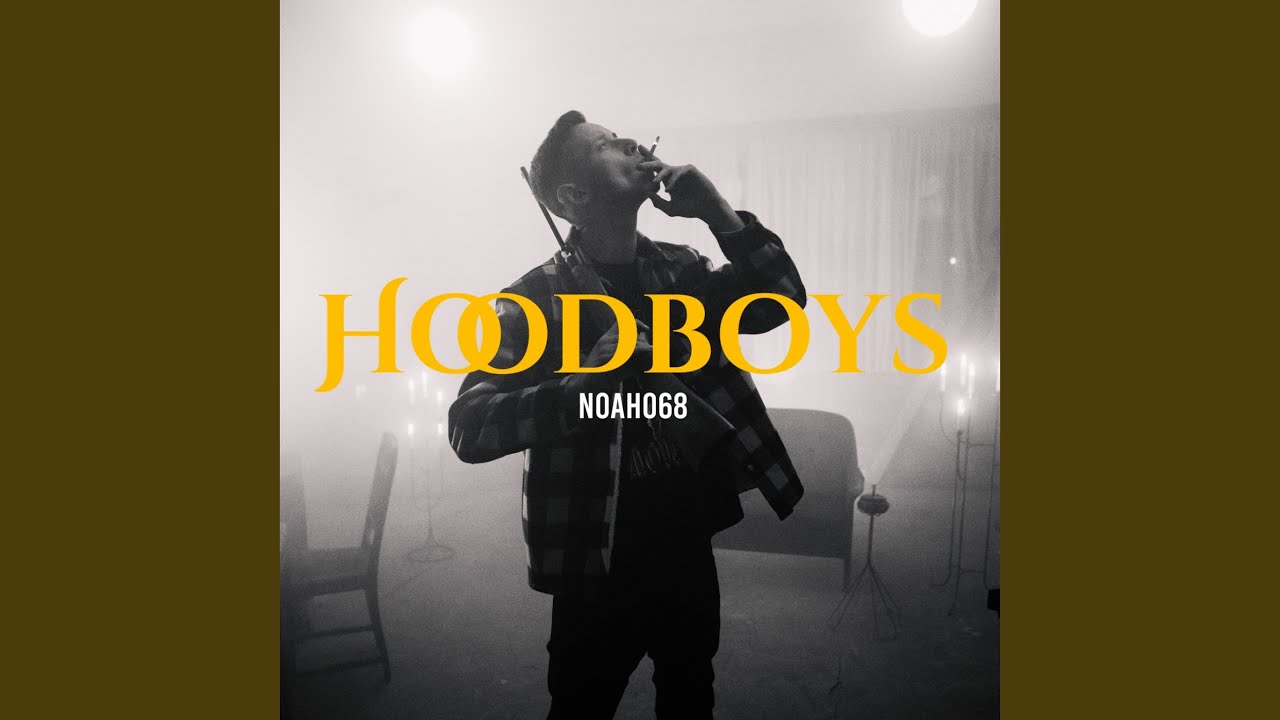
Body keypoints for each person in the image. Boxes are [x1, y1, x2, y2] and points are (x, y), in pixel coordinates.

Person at [448, 110, 807, 719]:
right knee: (581, 705)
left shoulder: (683, 270)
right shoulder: (532, 299)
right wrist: (579, 385)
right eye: (606, 146)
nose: (632, 143)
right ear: (574, 197)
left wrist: (717, 211)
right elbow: (469, 426)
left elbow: (782, 302)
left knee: (690, 696)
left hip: (687, 537)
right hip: (595, 552)